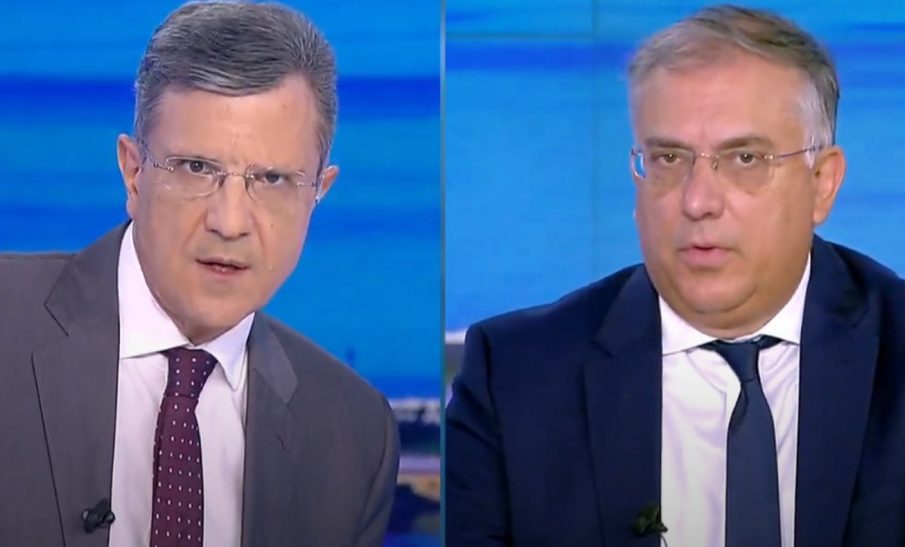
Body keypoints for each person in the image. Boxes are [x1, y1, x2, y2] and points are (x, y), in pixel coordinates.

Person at [446, 4, 905, 546]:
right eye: (668, 159)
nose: (697, 200)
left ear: (823, 183)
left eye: (745, 159)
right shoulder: (515, 378)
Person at [0, 2, 399, 546]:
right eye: (196, 168)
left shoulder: (354, 436)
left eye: (272, 179)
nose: (229, 223)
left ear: (318, 192)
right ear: (133, 173)